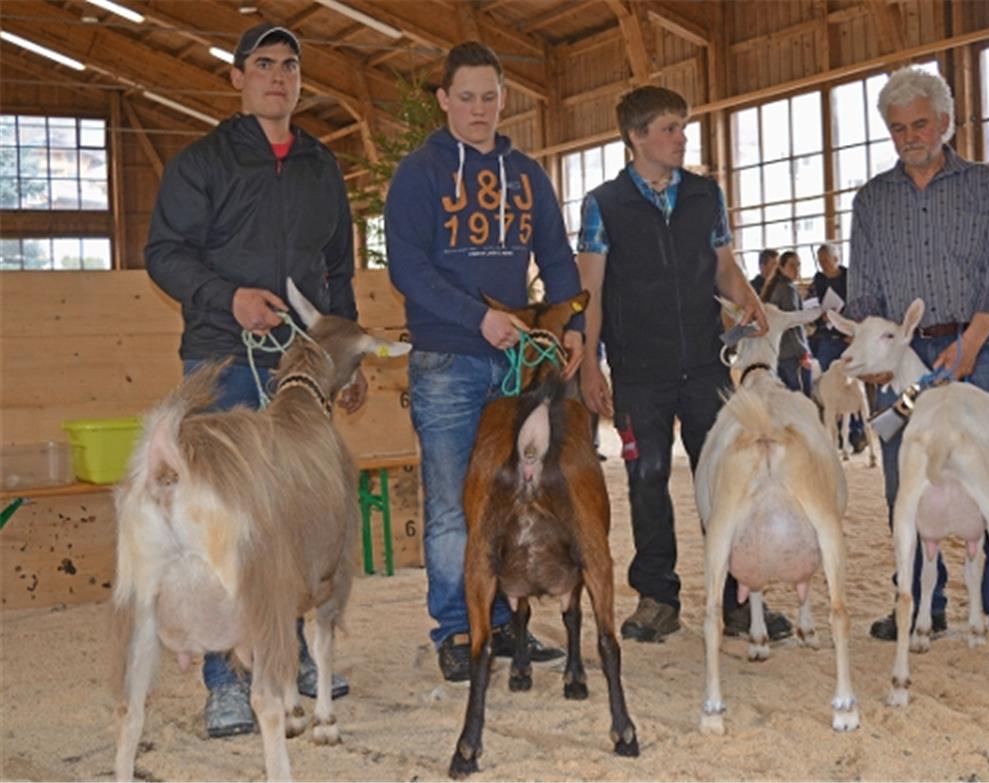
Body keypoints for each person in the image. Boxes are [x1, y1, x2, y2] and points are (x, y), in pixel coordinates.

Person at [145, 23, 356, 738]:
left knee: (296, 514)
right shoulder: (202, 163)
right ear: (237, 77)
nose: (278, 76)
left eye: (290, 65)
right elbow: (164, 253)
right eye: (263, 64)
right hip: (223, 360)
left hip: (300, 367)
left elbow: (339, 270)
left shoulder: (321, 165)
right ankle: (226, 681)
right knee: (224, 522)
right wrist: (227, 297)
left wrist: (346, 359)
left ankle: (288, 658)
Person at [384, 41, 580, 682]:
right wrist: (477, 318)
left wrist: (570, 325)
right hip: (448, 359)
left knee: (517, 494)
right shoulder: (419, 174)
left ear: (503, 98)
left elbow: (557, 257)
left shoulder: (527, 175)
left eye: (488, 97)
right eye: (465, 97)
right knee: (451, 502)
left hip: (517, 364)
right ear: (444, 99)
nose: (478, 109)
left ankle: (502, 622)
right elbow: (408, 267)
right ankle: (456, 627)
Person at [577, 85, 792, 644]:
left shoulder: (705, 195)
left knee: (725, 477)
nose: (682, 138)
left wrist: (748, 299)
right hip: (638, 373)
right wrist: (590, 365)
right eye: (669, 128)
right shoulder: (603, 205)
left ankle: (738, 597)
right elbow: (590, 292)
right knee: (646, 480)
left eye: (683, 126)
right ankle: (657, 598)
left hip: (705, 365)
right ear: (636, 137)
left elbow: (723, 264)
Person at [845, 66, 989, 658]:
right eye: (897, 128)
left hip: (977, 348)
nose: (909, 137)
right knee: (904, 483)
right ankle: (918, 604)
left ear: (946, 122)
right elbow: (863, 290)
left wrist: (972, 343)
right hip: (900, 356)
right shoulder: (871, 200)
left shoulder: (985, 187)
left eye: (920, 124)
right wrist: (877, 357)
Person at [808, 242, 866, 452]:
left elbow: (860, 306)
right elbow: (811, 305)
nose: (823, 264)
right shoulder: (818, 280)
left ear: (836, 259)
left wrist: (854, 333)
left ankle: (858, 432)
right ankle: (839, 434)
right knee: (830, 388)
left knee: (853, 386)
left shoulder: (850, 278)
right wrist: (820, 316)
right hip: (827, 338)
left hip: (848, 339)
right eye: (820, 261)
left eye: (826, 260)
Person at [761, 250, 812, 396]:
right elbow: (792, 324)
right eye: (792, 265)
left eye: (798, 265)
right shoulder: (788, 289)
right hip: (792, 354)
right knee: (802, 397)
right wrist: (802, 353)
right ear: (781, 267)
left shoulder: (774, 286)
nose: (797, 269)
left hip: (778, 353)